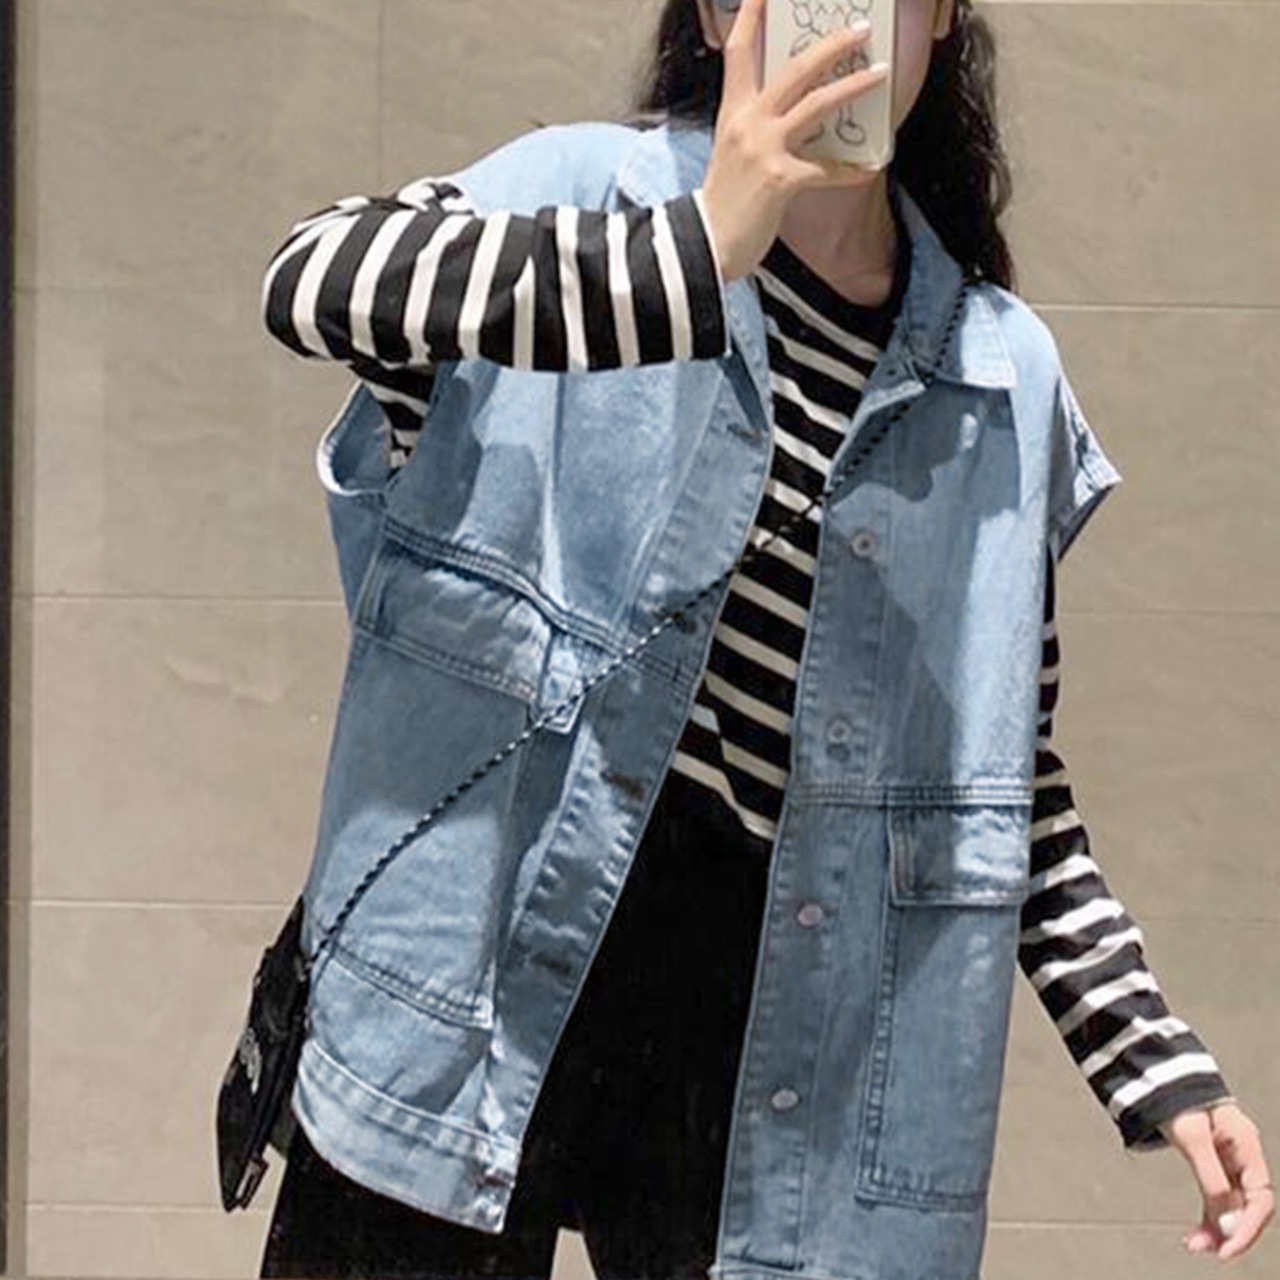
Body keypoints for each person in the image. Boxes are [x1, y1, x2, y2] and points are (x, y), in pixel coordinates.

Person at [254, 0, 1273, 1276]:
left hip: (757, 1044)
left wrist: (1154, 1062)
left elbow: (1005, 784)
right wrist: (690, 253)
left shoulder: (997, 377)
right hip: (462, 967)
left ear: (939, 16)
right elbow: (309, 281)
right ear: (715, 15)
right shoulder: (582, 192)